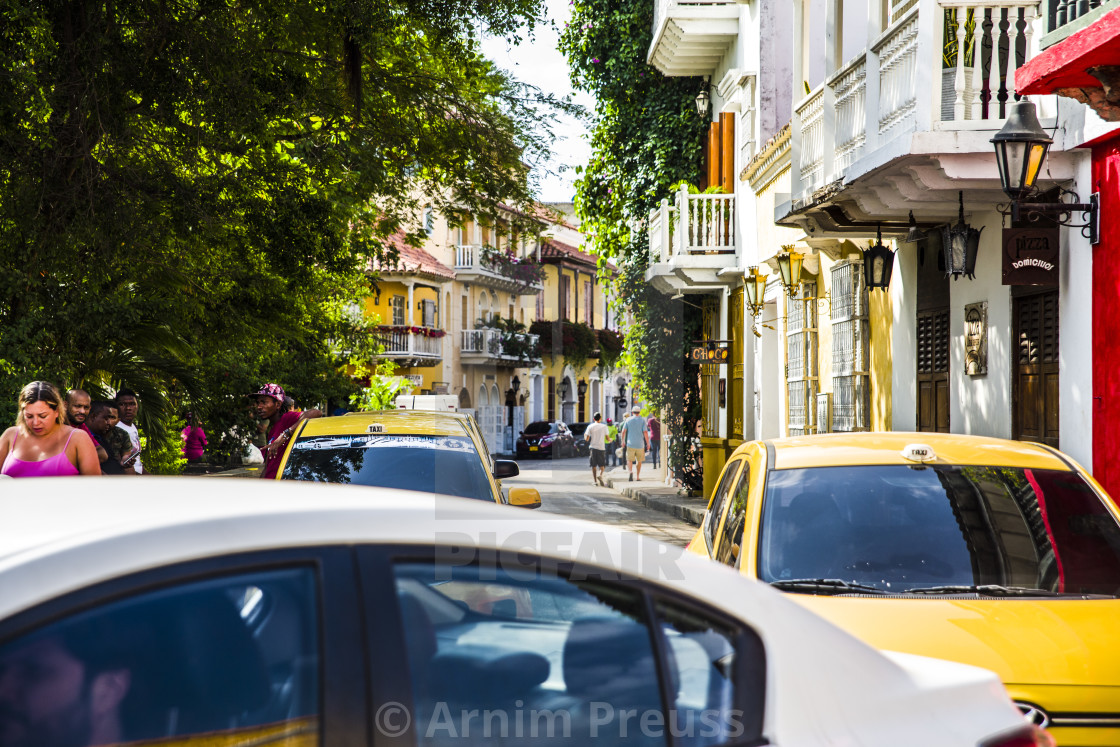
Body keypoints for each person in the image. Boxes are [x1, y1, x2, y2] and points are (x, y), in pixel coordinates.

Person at [0, 381, 101, 477]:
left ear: (57, 411)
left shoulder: (78, 438)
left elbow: (94, 487)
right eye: (29, 416)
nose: (35, 423)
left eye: (43, 416)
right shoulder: (11, 435)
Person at [248, 383, 322, 479]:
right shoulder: (272, 430)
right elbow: (268, 466)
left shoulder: (287, 419)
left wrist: (286, 434)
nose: (259, 406)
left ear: (278, 404)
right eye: (258, 403)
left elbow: (316, 413)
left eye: (264, 402)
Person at [88, 401, 137, 475]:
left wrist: (125, 461)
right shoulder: (82, 434)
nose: (109, 422)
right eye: (106, 418)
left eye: (112, 418)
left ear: (118, 420)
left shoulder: (117, 435)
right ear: (93, 417)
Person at [66, 388, 107, 464]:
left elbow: (102, 454)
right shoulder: (57, 425)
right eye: (77, 406)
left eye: (86, 407)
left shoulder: (81, 426)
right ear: (65, 405)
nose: (82, 411)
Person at [114, 389, 145, 474]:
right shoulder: (116, 429)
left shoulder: (132, 426)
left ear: (137, 406)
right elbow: (121, 465)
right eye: (122, 404)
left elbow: (137, 460)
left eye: (132, 404)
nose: (128, 408)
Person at [618, 406, 650, 482]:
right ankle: (638, 476)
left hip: (630, 444)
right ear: (639, 412)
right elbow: (645, 432)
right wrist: (648, 443)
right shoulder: (642, 420)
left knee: (629, 459)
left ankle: (630, 472)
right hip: (640, 444)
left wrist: (623, 441)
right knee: (639, 461)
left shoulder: (628, 420)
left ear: (632, 412)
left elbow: (623, 431)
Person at [584, 412, 610, 487]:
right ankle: (600, 475)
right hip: (601, 448)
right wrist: (610, 440)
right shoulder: (604, 426)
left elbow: (586, 439)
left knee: (593, 465)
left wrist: (585, 435)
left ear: (593, 418)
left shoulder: (590, 426)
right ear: (600, 418)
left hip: (593, 447)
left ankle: (595, 481)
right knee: (602, 465)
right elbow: (607, 438)